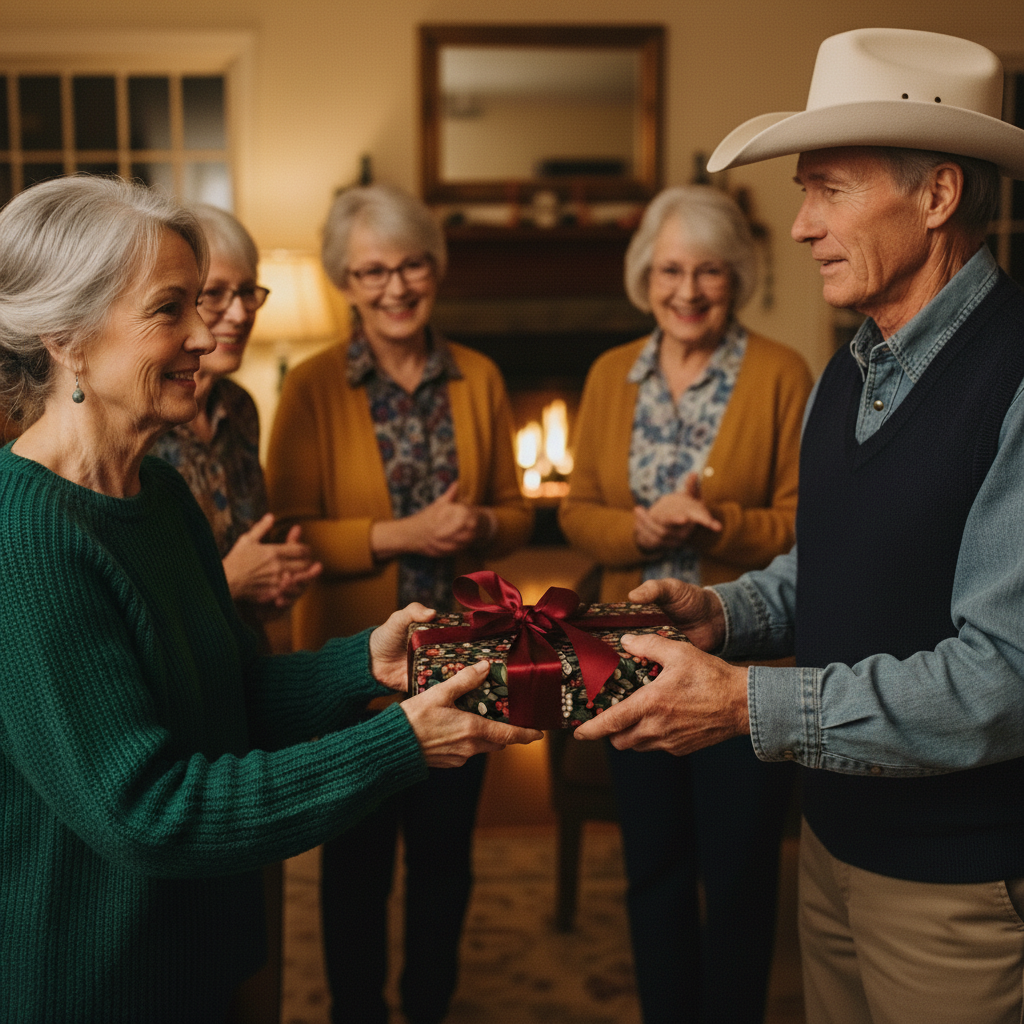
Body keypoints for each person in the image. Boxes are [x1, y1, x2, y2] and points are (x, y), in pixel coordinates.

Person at [0, 174, 541, 1024]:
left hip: (205, 955)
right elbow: (147, 810)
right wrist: (398, 743)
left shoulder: (164, 493)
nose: (208, 341)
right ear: (69, 337)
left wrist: (361, 661)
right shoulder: (26, 536)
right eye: (170, 310)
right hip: (99, 982)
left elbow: (230, 699)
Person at [575, 28, 1024, 1024]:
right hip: (832, 849)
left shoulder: (1012, 381)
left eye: (830, 188)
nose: (801, 225)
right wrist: (722, 610)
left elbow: (1002, 679)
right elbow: (827, 561)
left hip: (955, 884)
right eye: (801, 191)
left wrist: (748, 706)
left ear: (939, 195)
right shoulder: (847, 368)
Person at [265, 182, 533, 1024]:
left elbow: (520, 511)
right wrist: (404, 534)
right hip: (357, 673)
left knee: (446, 862)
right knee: (355, 867)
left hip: (466, 662)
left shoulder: (479, 376)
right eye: (371, 270)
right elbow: (291, 531)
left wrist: (484, 521)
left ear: (436, 268)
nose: (395, 286)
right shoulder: (310, 387)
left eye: (411, 264)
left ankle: (429, 1007)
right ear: (345, 281)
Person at [559, 185, 812, 1024]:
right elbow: (576, 512)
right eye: (671, 270)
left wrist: (716, 524)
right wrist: (642, 526)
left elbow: (801, 525)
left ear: (736, 276)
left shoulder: (781, 373)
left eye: (709, 271)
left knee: (739, 874)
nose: (689, 290)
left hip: (739, 666)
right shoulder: (609, 373)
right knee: (653, 868)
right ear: (645, 276)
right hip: (623, 660)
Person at [152, 204, 322, 637]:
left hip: (245, 657)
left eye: (248, 291)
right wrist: (233, 580)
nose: (241, 312)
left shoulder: (241, 407)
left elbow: (250, 547)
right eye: (215, 294)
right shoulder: (140, 418)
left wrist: (272, 585)